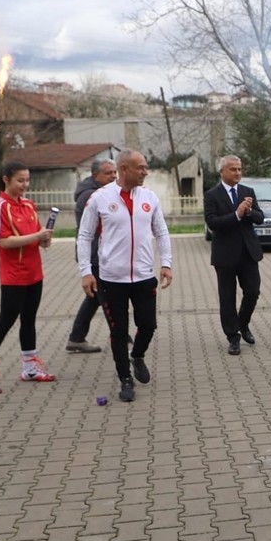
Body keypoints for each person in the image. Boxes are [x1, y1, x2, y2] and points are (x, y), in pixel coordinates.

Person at [77, 149, 173, 402]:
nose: (145, 172)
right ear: (124, 169)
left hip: (143, 276)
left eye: (145, 167)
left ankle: (137, 355)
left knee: (148, 325)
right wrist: (86, 271)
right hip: (111, 280)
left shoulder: (149, 197)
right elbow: (85, 236)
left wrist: (166, 263)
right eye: (140, 167)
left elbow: (161, 232)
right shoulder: (99, 198)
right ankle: (125, 379)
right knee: (118, 332)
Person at [0, 161, 57, 394]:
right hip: (13, 276)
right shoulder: (0, 206)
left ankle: (30, 366)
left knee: (29, 319)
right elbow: (4, 241)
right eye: (20, 180)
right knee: (6, 321)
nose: (25, 185)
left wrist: (45, 238)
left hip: (34, 273)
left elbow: (38, 238)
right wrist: (36, 236)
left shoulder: (28, 205)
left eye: (27, 180)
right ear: (6, 179)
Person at [204, 154, 264, 356]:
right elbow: (212, 223)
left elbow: (260, 218)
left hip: (248, 253)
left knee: (253, 292)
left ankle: (243, 323)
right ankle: (233, 337)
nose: (238, 172)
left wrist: (248, 213)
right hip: (225, 255)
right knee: (227, 298)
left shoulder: (248, 192)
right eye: (233, 169)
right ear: (222, 172)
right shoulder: (212, 195)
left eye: (239, 169)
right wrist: (237, 214)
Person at [65, 158, 117, 353]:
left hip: (100, 254)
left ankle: (76, 338)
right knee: (107, 298)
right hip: (95, 256)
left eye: (115, 172)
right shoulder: (92, 196)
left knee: (95, 297)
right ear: (96, 176)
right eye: (109, 173)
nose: (113, 176)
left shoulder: (99, 192)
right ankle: (121, 336)